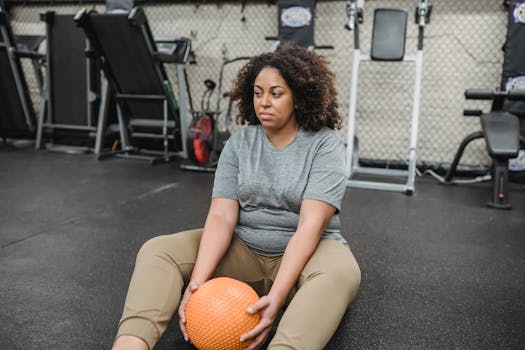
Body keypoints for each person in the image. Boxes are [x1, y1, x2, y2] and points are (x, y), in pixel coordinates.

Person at [112, 45, 361, 350]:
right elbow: (221, 215)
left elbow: (310, 225)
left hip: (308, 251)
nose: (264, 102)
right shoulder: (239, 143)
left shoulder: (325, 146)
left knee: (341, 274)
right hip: (244, 249)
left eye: (275, 93)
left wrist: (278, 297)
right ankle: (130, 344)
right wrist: (197, 285)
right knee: (158, 250)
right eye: (257, 93)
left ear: (298, 97)